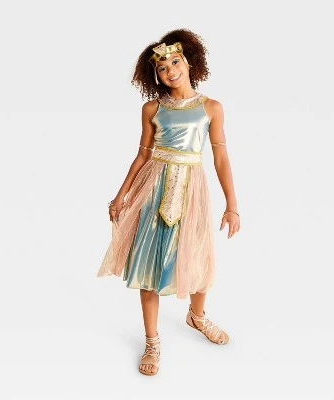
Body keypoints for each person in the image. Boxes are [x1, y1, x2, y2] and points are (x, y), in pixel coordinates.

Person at [97, 28, 240, 376]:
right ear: (155, 76)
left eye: (175, 62)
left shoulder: (211, 108)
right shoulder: (152, 108)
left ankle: (197, 316)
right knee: (149, 259)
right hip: (153, 187)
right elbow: (142, 154)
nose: (170, 70)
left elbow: (221, 158)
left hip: (192, 189)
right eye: (162, 67)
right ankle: (152, 341)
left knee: (196, 253)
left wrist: (232, 204)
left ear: (190, 63)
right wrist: (121, 195)